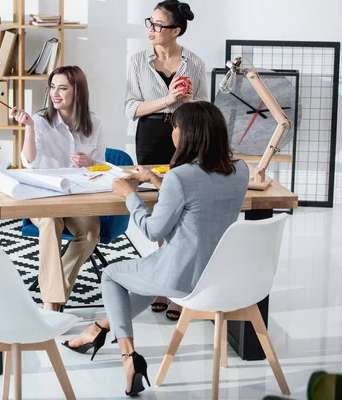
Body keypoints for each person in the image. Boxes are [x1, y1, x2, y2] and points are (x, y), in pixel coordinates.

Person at [63, 101, 249, 396]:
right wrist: (157, 180)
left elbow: (153, 231)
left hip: (180, 277)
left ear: (187, 134)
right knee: (142, 283)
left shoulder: (181, 177)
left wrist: (130, 196)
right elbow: (200, 200)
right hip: (218, 275)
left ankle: (128, 358)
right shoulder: (240, 170)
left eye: (174, 127)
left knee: (112, 275)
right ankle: (98, 330)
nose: (172, 133)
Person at [124, 0, 207, 321]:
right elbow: (131, 107)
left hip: (184, 135)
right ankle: (164, 283)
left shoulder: (194, 63)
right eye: (150, 22)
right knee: (161, 208)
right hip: (150, 134)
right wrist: (167, 99)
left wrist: (185, 98)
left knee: (183, 208)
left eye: (158, 25)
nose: (151, 29)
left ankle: (180, 286)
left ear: (176, 30)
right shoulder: (136, 61)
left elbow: (202, 108)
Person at [11, 65, 106, 312]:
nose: (55, 93)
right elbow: (29, 162)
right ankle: (51, 306)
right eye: (53, 87)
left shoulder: (94, 122)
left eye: (62, 88)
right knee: (51, 223)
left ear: (78, 91)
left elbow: (103, 166)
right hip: (42, 195)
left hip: (77, 196)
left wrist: (91, 162)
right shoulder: (41, 120)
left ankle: (54, 293)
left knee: (90, 234)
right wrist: (29, 128)